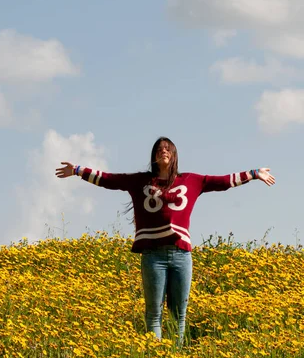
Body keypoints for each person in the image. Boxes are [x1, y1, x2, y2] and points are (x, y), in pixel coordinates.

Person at [55, 137, 275, 346]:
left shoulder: (191, 180)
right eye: (159, 149)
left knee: (179, 314)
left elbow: (222, 181)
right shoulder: (140, 181)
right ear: (153, 156)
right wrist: (77, 170)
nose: (164, 151)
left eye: (168, 148)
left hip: (182, 256)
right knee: (154, 314)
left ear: (175, 154)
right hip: (153, 256)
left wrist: (254, 173)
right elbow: (109, 179)